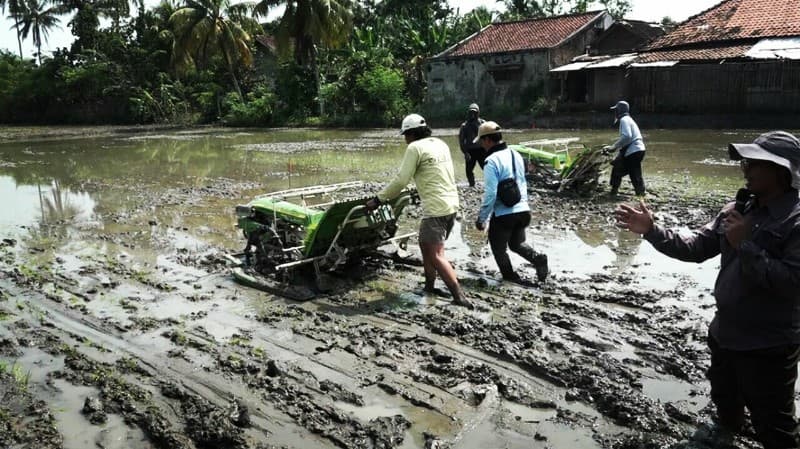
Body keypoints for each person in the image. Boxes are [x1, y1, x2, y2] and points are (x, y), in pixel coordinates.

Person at [615, 131, 800, 449]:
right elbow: (696, 247)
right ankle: (726, 429)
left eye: (755, 163)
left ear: (782, 171)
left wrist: (745, 245)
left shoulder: (793, 221)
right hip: (725, 334)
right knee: (725, 400)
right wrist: (652, 230)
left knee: (776, 427)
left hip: (768, 346)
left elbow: (791, 284)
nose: (745, 168)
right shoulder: (738, 209)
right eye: (745, 161)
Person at [367, 113, 473, 309]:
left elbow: (401, 180)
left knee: (436, 255)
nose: (405, 139)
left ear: (412, 133)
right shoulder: (440, 144)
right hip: (451, 204)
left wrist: (378, 199)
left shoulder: (414, 148)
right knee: (426, 245)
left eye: (406, 135)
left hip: (435, 209)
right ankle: (430, 286)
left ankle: (458, 295)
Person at [473, 121, 549, 284]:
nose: (481, 145)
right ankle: (538, 260)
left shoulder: (491, 161)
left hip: (504, 215)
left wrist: (482, 218)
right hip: (523, 210)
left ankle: (510, 277)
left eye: (481, 141)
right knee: (517, 244)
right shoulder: (516, 154)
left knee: (498, 249)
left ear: (487, 140)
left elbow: (491, 194)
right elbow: (522, 181)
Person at [606, 100, 646, 197]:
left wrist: (614, 147)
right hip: (639, 149)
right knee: (633, 171)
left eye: (616, 110)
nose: (614, 113)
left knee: (621, 169)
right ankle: (640, 192)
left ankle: (614, 191)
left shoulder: (624, 120)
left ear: (619, 111)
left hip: (633, 150)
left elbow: (627, 136)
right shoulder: (629, 119)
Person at [458, 103, 486, 187]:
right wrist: (465, 153)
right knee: (468, 170)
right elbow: (461, 141)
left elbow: (489, 137)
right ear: (468, 113)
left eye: (475, 113)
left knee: (487, 168)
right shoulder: (464, 126)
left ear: (478, 113)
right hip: (470, 151)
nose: (473, 115)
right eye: (471, 113)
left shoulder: (483, 123)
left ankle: (491, 183)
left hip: (482, 150)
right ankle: (472, 185)